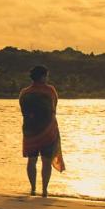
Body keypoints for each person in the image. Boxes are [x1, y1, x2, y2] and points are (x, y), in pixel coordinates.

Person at [19, 65, 65, 197]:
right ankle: (44, 190)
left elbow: (24, 111)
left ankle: (33, 188)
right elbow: (53, 107)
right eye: (46, 76)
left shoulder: (24, 92)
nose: (47, 78)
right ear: (42, 77)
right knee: (46, 161)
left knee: (31, 160)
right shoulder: (50, 91)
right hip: (48, 131)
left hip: (30, 131)